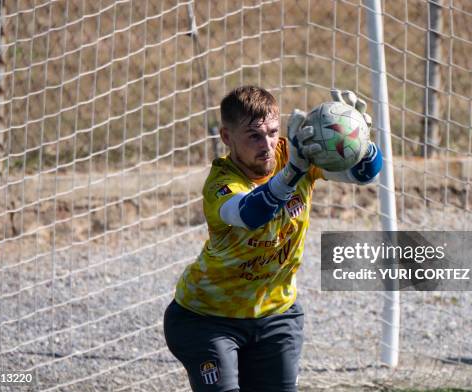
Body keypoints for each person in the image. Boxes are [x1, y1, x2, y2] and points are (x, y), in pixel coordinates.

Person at [164, 86, 382, 392]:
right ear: (227, 138)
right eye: (254, 136)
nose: (267, 145)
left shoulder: (295, 153)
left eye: (272, 132)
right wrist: (293, 172)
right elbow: (252, 214)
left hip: (277, 315)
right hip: (206, 319)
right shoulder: (221, 184)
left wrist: (361, 142)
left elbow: (364, 175)